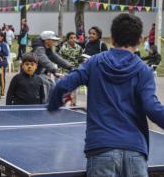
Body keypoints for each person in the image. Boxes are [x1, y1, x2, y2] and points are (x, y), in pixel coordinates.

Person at [48, 13, 164, 177]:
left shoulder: (94, 63)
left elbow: (63, 84)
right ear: (140, 40)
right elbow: (152, 107)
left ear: (112, 39)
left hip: (101, 148)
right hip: (135, 150)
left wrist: (53, 105)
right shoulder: (143, 70)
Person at [31, 31, 73, 100]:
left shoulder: (47, 48)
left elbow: (56, 58)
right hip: (34, 74)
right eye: (53, 40)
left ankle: (49, 103)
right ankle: (44, 105)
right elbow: (44, 60)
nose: (55, 42)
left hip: (40, 73)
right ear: (46, 40)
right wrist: (54, 70)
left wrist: (69, 66)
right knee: (47, 85)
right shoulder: (39, 49)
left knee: (52, 85)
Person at [59, 32, 83, 106]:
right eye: (71, 38)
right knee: (66, 88)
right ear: (68, 39)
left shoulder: (79, 48)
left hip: (75, 70)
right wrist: (59, 71)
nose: (73, 39)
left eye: (74, 38)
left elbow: (80, 59)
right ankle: (65, 102)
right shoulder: (64, 48)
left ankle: (73, 103)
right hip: (65, 70)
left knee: (74, 88)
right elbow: (59, 59)